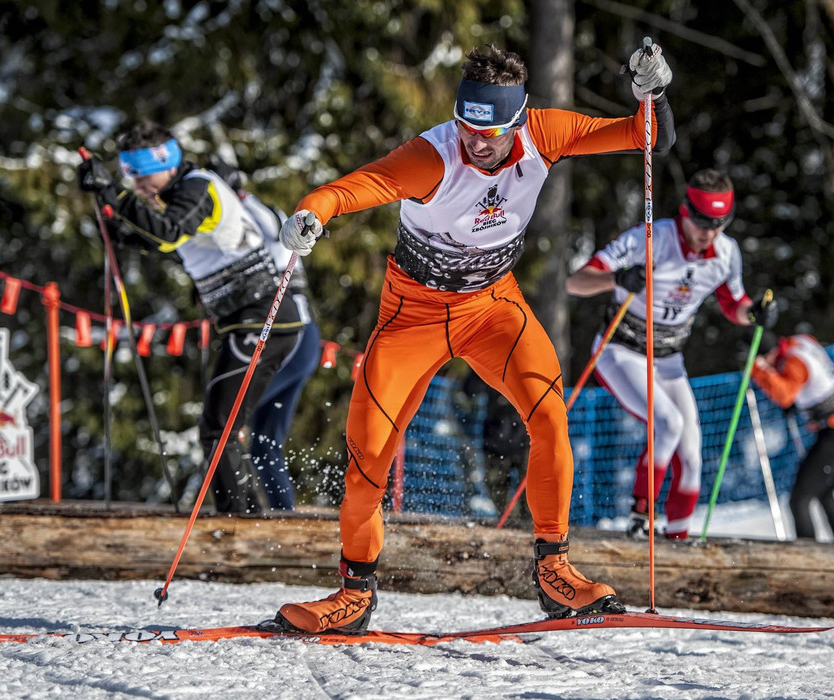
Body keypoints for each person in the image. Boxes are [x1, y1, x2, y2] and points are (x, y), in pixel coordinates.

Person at [265, 42, 677, 634]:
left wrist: (654, 94)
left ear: (518, 120)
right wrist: (311, 214)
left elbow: (646, 138)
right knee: (368, 456)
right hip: (414, 313)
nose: (476, 141)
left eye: (492, 131)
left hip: (493, 306)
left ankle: (555, 572)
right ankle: (354, 593)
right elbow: (354, 188)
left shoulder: (545, 132)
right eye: (466, 126)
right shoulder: (431, 158)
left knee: (550, 418)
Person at [77, 123, 306, 514]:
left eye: (142, 176)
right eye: (129, 177)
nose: (137, 186)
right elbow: (167, 241)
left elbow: (168, 232)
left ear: (167, 163)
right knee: (223, 428)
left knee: (220, 427)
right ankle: (247, 520)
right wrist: (119, 231)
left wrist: (111, 193)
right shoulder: (185, 193)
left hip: (263, 321)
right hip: (250, 322)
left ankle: (238, 525)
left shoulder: (198, 187)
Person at [564, 169, 776, 541]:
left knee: (692, 451)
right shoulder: (649, 238)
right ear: (684, 211)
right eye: (700, 222)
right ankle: (640, 515)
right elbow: (575, 282)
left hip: (668, 359)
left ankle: (678, 540)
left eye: (718, 223)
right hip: (622, 349)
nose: (707, 232)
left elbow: (734, 304)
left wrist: (755, 312)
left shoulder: (726, 253)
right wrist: (617, 278)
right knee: (668, 424)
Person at [209, 161, 322, 511]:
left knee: (227, 421)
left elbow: (259, 245)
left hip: (288, 333)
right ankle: (281, 515)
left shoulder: (248, 211)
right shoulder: (260, 207)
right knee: (263, 442)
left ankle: (243, 512)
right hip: (304, 337)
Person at [750, 333, 834, 542]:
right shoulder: (801, 341)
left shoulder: (794, 362)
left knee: (799, 499)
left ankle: (808, 555)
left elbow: (784, 395)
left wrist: (757, 369)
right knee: (824, 492)